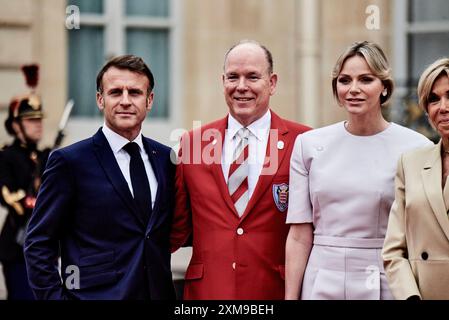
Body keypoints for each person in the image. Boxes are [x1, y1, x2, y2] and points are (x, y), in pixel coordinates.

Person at [285, 41, 432, 300]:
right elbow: (299, 234)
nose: (353, 89)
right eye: (345, 80)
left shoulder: (415, 146)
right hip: (320, 278)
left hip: (385, 277)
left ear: (384, 88)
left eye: (365, 79)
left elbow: (421, 233)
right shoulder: (308, 144)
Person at [24, 55, 176, 300]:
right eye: (116, 92)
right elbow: (38, 243)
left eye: (135, 93)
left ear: (149, 101)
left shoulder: (166, 159)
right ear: (100, 99)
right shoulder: (69, 162)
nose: (125, 101)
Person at [170, 40, 311, 300]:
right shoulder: (193, 143)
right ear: (223, 81)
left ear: (272, 83)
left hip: (274, 292)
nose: (241, 86)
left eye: (253, 77)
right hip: (207, 294)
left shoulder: (303, 141)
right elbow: (176, 226)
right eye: (233, 77)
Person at [382, 58, 449, 300]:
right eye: (433, 99)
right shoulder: (410, 163)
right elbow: (393, 251)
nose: (443, 107)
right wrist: (410, 297)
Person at [0, 64, 49, 300]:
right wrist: (37, 194)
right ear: (16, 126)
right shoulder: (6, 156)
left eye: (39, 119)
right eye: (30, 120)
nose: (38, 123)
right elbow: (11, 198)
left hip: (44, 249)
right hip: (17, 246)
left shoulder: (44, 157)